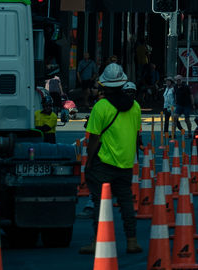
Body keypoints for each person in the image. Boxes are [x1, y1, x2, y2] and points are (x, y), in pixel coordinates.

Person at [79, 64, 142, 255]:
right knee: (126, 203)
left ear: (104, 85)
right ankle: (131, 241)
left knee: (101, 203)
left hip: (103, 163)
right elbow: (136, 133)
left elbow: (94, 138)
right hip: (125, 163)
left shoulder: (101, 107)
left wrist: (89, 161)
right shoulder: (136, 107)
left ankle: (98, 241)